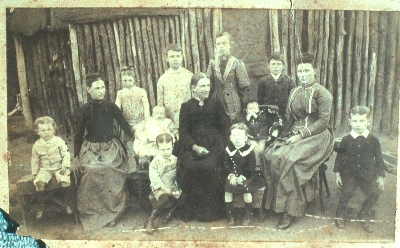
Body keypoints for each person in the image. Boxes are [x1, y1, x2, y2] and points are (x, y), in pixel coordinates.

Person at [263, 54, 334, 229]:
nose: (302, 74)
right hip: (296, 132)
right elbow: (288, 117)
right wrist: (279, 131)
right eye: (300, 71)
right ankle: (276, 204)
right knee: (272, 153)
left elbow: (323, 123)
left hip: (318, 136)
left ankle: (291, 211)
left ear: (314, 71)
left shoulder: (323, 93)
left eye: (306, 71)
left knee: (292, 160)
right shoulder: (294, 91)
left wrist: (300, 135)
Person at [74, 73, 134, 230]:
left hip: (111, 147)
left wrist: (138, 136)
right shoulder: (84, 110)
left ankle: (113, 213)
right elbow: (78, 134)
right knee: (91, 170)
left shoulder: (111, 107)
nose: (101, 91)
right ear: (88, 89)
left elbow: (124, 124)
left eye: (102, 87)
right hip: (91, 149)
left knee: (108, 168)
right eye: (96, 88)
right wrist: (75, 155)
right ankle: (94, 213)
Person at [174, 72, 231, 222]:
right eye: (202, 86)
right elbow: (183, 131)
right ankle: (193, 210)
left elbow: (225, 126)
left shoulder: (215, 104)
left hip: (215, 145)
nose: (206, 89)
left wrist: (225, 146)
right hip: (193, 145)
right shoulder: (186, 107)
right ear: (193, 88)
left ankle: (212, 212)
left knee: (210, 167)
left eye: (207, 85)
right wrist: (194, 147)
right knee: (189, 167)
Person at [334, 106, 385, 233]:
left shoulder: (373, 140)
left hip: (368, 174)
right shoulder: (346, 140)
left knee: (375, 192)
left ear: (368, 122)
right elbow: (339, 158)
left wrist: (380, 177)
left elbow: (379, 159)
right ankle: (339, 213)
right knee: (347, 191)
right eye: (355, 121)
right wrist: (338, 174)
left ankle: (364, 213)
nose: (358, 124)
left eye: (361, 121)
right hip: (350, 174)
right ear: (350, 122)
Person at [31, 116, 72, 219]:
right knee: (39, 184)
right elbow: (35, 161)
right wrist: (35, 174)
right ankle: (40, 207)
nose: (46, 133)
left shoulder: (59, 141)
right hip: (45, 169)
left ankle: (68, 205)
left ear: (54, 129)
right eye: (43, 130)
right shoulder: (36, 145)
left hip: (59, 167)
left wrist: (65, 166)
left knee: (64, 181)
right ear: (37, 132)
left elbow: (66, 154)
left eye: (49, 129)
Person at [206, 31, 252, 122]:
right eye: (218, 44)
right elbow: (208, 87)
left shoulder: (236, 63)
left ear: (230, 45)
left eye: (224, 43)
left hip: (233, 104)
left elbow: (244, 89)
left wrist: (244, 108)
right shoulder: (212, 64)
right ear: (215, 47)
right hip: (217, 102)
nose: (221, 46)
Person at [224, 122, 263, 226]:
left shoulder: (249, 150)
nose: (237, 138)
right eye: (234, 136)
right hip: (233, 176)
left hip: (247, 176)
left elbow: (251, 167)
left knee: (246, 189)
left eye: (240, 136)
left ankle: (248, 214)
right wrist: (231, 175)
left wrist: (242, 176)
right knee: (227, 189)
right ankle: (230, 215)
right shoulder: (228, 149)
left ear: (246, 138)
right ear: (230, 137)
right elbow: (226, 164)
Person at [145, 133, 183, 234]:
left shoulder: (175, 160)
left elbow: (178, 175)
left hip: (173, 186)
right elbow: (155, 178)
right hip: (160, 188)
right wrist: (166, 190)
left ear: (172, 147)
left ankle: (170, 213)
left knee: (184, 196)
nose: (166, 152)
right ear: (158, 148)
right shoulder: (155, 162)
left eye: (168, 149)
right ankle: (151, 219)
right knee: (164, 197)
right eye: (162, 149)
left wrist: (176, 188)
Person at [115, 66, 149, 173]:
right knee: (128, 144)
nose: (127, 82)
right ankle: (131, 166)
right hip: (127, 123)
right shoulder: (120, 93)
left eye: (130, 80)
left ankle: (142, 164)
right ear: (121, 81)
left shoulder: (141, 91)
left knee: (140, 142)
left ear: (135, 80)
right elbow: (117, 107)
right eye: (124, 80)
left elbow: (146, 105)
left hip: (139, 121)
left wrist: (146, 120)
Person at [157, 43, 193, 125]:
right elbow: (160, 105)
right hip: (170, 121)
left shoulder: (189, 76)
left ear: (182, 57)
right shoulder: (162, 79)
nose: (175, 59)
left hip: (188, 120)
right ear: (166, 58)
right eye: (172, 56)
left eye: (178, 56)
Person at [257, 52, 295, 125]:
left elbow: (292, 99)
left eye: (278, 64)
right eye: (273, 64)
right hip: (269, 116)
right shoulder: (263, 81)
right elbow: (260, 100)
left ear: (283, 66)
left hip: (285, 115)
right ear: (268, 66)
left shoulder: (289, 80)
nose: (276, 67)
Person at [243, 101, 283, 167]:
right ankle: (255, 165)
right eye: (251, 109)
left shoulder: (262, 115)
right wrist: (247, 119)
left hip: (262, 136)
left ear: (259, 109)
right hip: (251, 137)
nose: (253, 111)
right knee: (252, 147)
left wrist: (256, 116)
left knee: (260, 149)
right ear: (247, 111)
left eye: (255, 108)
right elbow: (245, 126)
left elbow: (264, 122)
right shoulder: (246, 117)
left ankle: (261, 165)